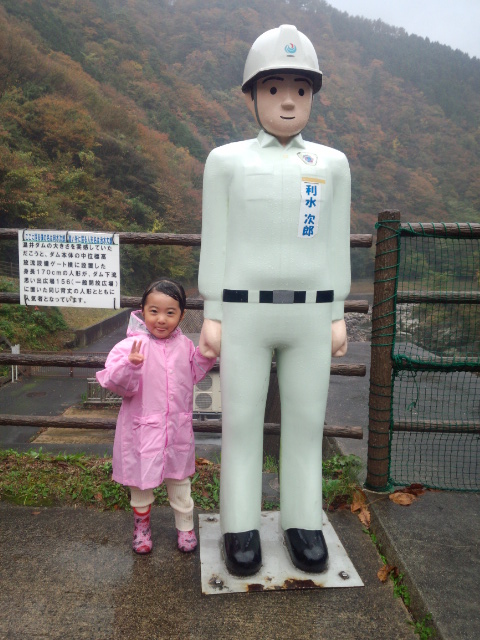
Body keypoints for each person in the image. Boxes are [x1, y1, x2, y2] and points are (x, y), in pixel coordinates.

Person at [198, 25, 351, 576]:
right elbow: (216, 239)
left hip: (311, 310)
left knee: (307, 423)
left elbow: (335, 243)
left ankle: (302, 522)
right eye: (273, 88)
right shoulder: (226, 161)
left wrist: (337, 311)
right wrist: (212, 311)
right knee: (241, 423)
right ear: (251, 96)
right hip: (244, 310)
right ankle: (239, 525)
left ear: (312, 96)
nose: (288, 101)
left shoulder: (332, 165)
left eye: (300, 89)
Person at [96, 278, 217, 554]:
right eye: (154, 311)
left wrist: (207, 353)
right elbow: (115, 383)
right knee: (140, 481)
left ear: (181, 315)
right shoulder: (131, 346)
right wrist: (130, 366)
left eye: (170, 312)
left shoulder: (184, 346)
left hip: (176, 429)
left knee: (180, 481)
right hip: (142, 430)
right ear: (143, 310)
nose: (161, 319)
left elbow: (194, 372)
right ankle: (142, 528)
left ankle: (185, 528)